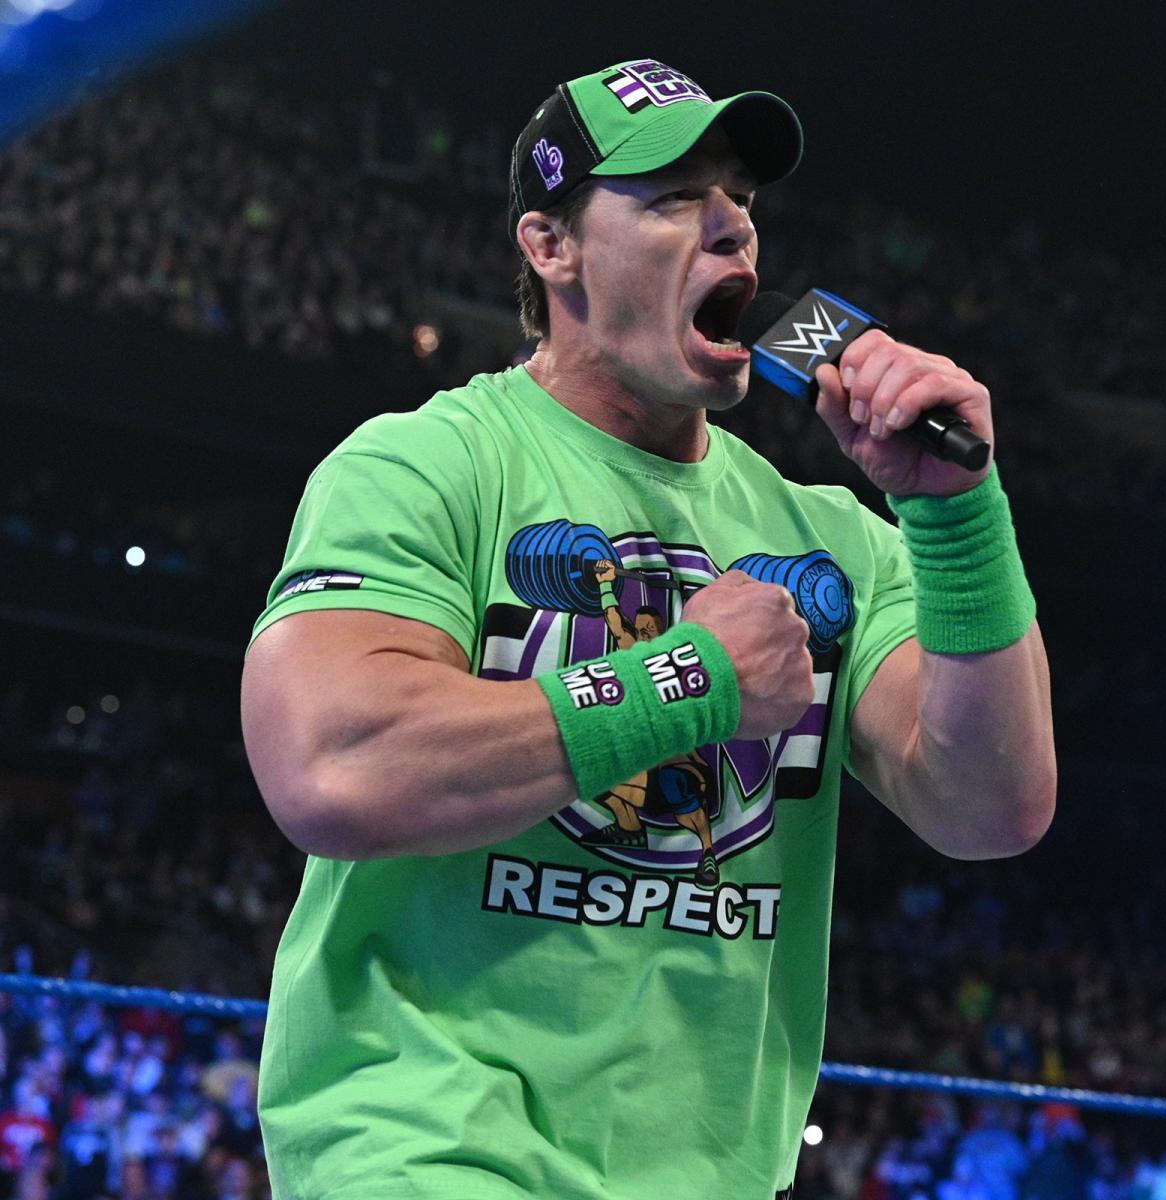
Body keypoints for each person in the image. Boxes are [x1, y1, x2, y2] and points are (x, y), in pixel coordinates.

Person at [241, 58, 1056, 1200]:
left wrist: (955, 516)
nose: (732, 225)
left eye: (742, 199)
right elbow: (334, 767)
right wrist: (693, 677)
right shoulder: (427, 465)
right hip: (428, 1153)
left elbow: (992, 806)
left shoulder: (835, 536)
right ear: (550, 247)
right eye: (674, 196)